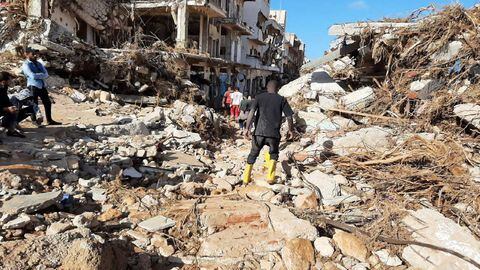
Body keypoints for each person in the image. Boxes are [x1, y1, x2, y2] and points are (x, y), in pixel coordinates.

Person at [243, 80, 294, 184]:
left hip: (259, 132)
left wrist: (247, 128)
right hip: (273, 134)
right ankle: (270, 178)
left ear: (267, 87)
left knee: (253, 153)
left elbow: (252, 112)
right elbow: (289, 116)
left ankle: (245, 179)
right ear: (278, 89)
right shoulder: (281, 99)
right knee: (274, 154)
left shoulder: (259, 97)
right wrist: (290, 130)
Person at [22, 47, 61, 125]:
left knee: (47, 103)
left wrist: (38, 75)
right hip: (32, 86)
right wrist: (41, 74)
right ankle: (34, 121)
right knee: (34, 103)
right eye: (33, 54)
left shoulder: (38, 63)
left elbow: (46, 74)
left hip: (41, 85)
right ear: (27, 54)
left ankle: (49, 120)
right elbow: (32, 76)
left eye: (36, 54)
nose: (35, 56)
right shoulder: (26, 64)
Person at [0, 72, 26, 139]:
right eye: (10, 80)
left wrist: (12, 107)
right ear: (3, 82)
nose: (11, 81)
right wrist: (7, 109)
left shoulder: (4, 87)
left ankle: (11, 129)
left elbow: (6, 101)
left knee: (19, 107)